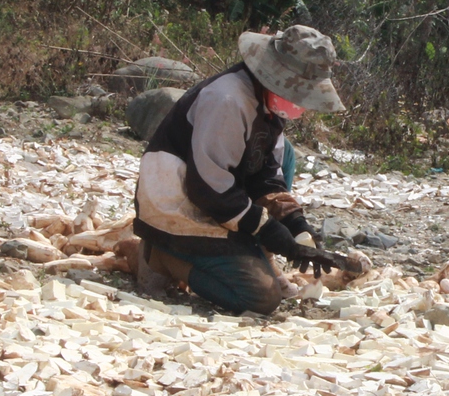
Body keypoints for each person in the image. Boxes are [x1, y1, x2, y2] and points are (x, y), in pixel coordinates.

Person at [133, 25, 358, 314]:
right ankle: (162, 256)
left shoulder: (268, 106)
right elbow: (208, 188)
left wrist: (296, 225)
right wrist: (267, 230)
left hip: (215, 195)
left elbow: (268, 176)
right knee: (260, 297)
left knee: (287, 154)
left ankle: (254, 253)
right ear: (274, 75)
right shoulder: (227, 100)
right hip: (177, 202)